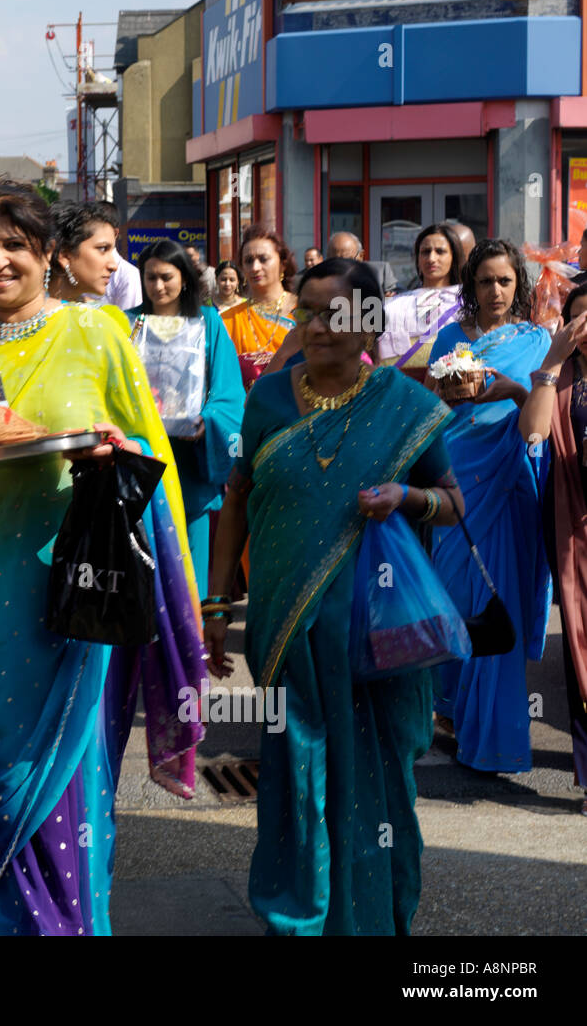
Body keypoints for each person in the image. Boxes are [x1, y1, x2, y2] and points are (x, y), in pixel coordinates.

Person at [0, 183, 203, 934]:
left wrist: (115, 452)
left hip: (75, 586)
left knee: (72, 775)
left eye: (16, 246)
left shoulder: (97, 333)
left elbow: (147, 456)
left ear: (48, 254)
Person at [206, 257, 463, 934]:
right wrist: (215, 603)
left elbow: (453, 503)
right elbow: (236, 499)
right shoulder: (267, 398)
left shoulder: (403, 404)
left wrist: (406, 496)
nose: (317, 326)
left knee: (375, 782)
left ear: (369, 321)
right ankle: (301, 913)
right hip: (287, 626)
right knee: (294, 771)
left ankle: (372, 912)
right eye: (307, 311)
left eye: (335, 312)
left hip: (375, 637)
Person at [428, 239, 552, 773]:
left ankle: (494, 736)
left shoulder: (536, 340)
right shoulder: (449, 338)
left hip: (509, 480)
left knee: (499, 597)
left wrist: (512, 392)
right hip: (458, 477)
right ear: (470, 287)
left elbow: (543, 411)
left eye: (504, 281)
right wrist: (449, 392)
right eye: (485, 281)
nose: (495, 291)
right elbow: (431, 407)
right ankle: (450, 712)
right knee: (455, 595)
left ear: (517, 286)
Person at [129, 239, 244, 600]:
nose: (158, 286)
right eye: (150, 278)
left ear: (184, 278)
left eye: (166, 277)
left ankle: (191, 643)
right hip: (141, 454)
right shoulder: (129, 323)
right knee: (143, 560)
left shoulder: (208, 321)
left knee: (189, 567)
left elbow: (229, 391)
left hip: (191, 459)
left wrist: (207, 422)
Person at [518, 284, 587, 813]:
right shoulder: (560, 378)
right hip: (573, 529)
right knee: (581, 651)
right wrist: (552, 361)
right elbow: (533, 430)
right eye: (578, 320)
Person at [378, 223, 464, 381]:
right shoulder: (394, 305)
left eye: (440, 251)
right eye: (425, 252)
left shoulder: (468, 303)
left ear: (454, 256)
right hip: (400, 390)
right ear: (417, 258)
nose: (431, 258)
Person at [218, 223, 298, 389]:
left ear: (283, 263)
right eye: (248, 261)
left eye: (263, 259)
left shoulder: (303, 311)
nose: (255, 267)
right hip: (245, 410)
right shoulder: (228, 320)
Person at [47, 200, 120, 305]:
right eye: (103, 249)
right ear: (65, 256)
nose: (114, 266)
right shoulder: (25, 317)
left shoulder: (103, 317)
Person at [328, 231, 398, 297]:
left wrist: (389, 300)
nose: (341, 265)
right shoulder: (321, 281)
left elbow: (398, 296)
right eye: (335, 261)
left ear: (361, 256)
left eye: (347, 260)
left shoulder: (380, 272)